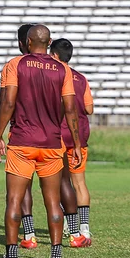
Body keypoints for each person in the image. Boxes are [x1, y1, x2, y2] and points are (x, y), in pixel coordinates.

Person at [0, 25, 81, 258]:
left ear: (28, 42)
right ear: (49, 42)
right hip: (51, 144)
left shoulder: (15, 64)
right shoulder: (63, 69)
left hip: (21, 142)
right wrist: (77, 143)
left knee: (14, 200)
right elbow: (71, 109)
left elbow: (8, 101)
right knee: (53, 202)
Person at [51, 38, 93, 246]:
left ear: (55, 55)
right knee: (79, 183)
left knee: (60, 181)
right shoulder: (81, 78)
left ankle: (70, 223)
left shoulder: (54, 75)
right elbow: (89, 108)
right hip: (79, 135)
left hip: (58, 135)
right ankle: (85, 229)